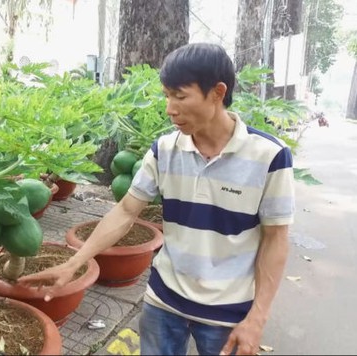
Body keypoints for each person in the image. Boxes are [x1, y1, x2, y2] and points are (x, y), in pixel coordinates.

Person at [18, 43, 295, 356]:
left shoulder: (270, 155)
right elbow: (125, 211)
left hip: (229, 313)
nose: (169, 108)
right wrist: (74, 263)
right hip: (164, 302)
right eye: (166, 95)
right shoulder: (164, 150)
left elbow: (276, 239)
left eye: (179, 95)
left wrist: (257, 317)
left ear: (217, 92)